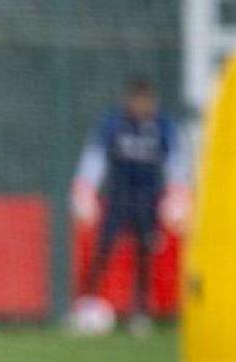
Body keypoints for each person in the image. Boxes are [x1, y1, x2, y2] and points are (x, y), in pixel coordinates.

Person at [69, 77, 189, 335]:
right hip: (118, 195)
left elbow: (176, 162)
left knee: (145, 253)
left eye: (146, 100)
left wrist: (177, 194)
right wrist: (85, 188)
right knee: (104, 247)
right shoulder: (114, 124)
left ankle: (141, 311)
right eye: (137, 100)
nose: (141, 105)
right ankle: (86, 302)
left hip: (148, 197)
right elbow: (96, 157)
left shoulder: (162, 126)